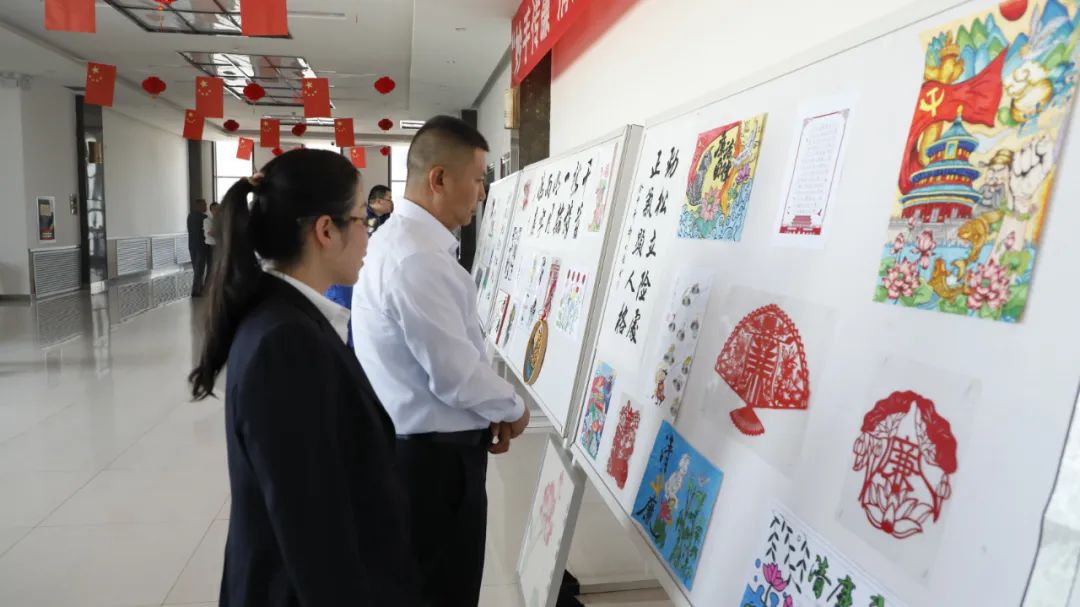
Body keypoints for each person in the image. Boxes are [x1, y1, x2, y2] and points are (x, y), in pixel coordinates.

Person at [187, 149, 422, 607]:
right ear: (326, 230)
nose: (369, 235)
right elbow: (313, 529)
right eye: (362, 219)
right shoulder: (286, 343)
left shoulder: (286, 319)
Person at [352, 115, 530, 607]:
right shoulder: (418, 259)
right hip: (433, 467)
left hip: (416, 452)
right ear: (439, 179)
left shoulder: (401, 242)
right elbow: (456, 375)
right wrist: (512, 408)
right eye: (477, 179)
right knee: (443, 591)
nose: (482, 193)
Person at [186, 198, 209, 297]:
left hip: (192, 245)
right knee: (200, 269)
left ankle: (200, 288)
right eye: (204, 205)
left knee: (196, 268)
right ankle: (196, 291)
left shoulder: (190, 216)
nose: (206, 207)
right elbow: (206, 233)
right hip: (201, 246)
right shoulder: (204, 218)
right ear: (199, 206)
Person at [203, 202, 220, 277]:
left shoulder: (222, 220)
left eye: (218, 208)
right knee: (211, 268)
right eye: (215, 209)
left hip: (220, 246)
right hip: (211, 247)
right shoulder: (207, 220)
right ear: (211, 210)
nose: (217, 210)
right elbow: (211, 233)